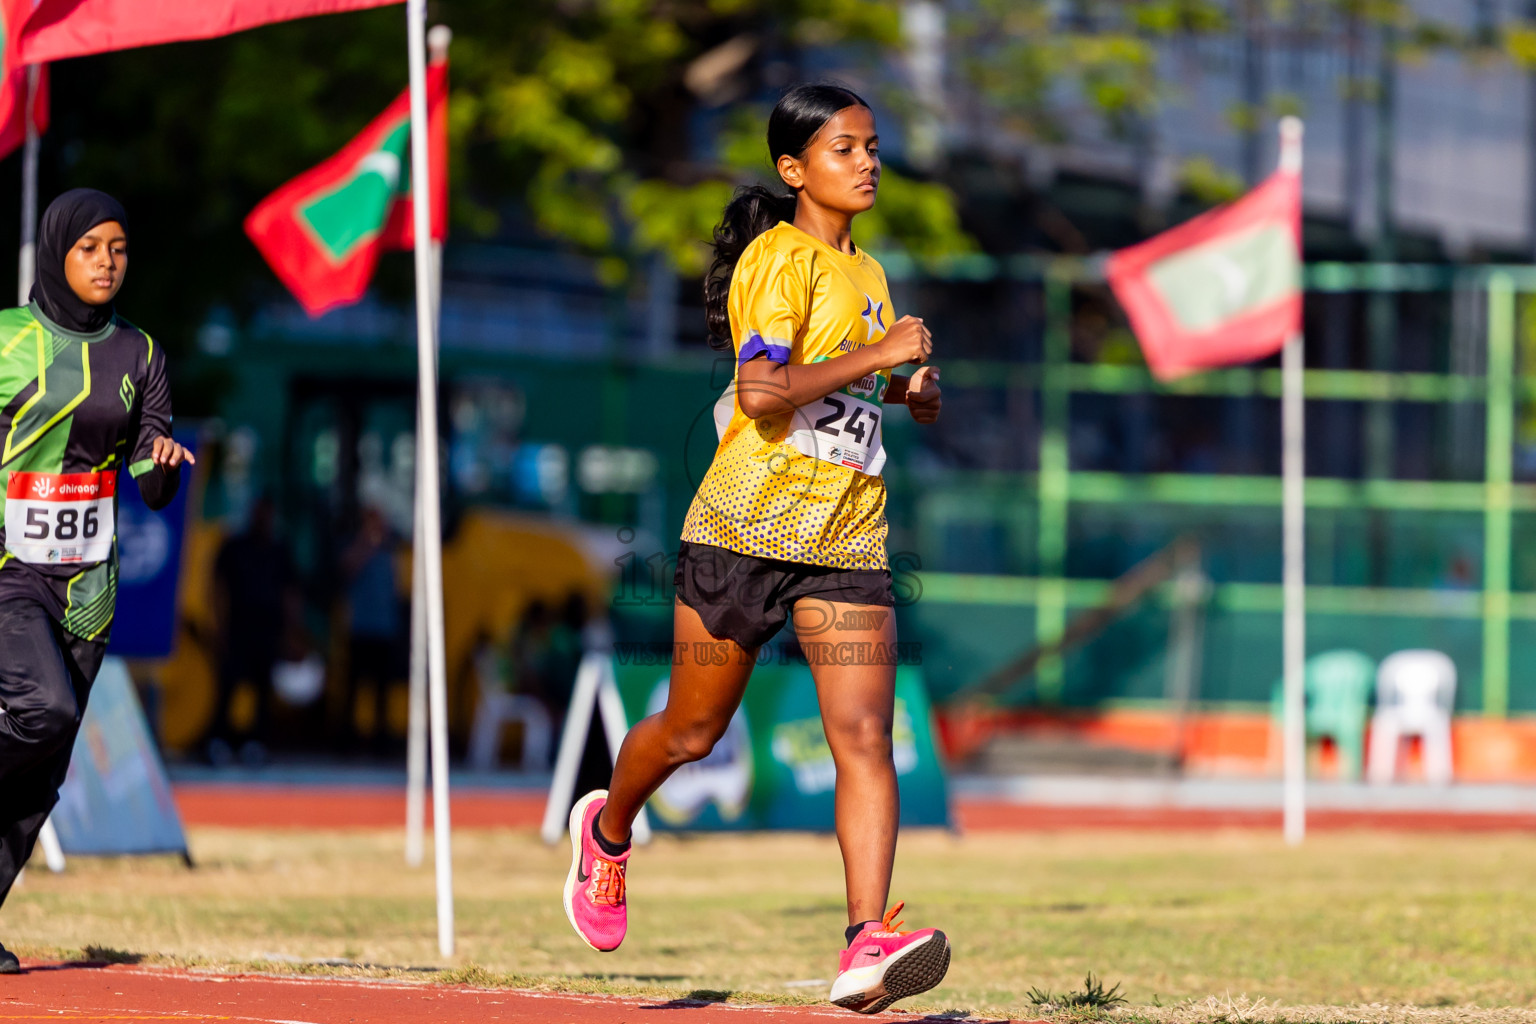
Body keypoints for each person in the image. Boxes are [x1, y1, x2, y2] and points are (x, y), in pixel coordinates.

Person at [562, 85, 947, 1014]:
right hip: (747, 527)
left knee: (865, 737)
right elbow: (765, 393)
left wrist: (906, 395)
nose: (867, 162)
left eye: (872, 146)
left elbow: (839, 393)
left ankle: (865, 942)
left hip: (847, 535)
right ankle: (607, 831)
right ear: (793, 168)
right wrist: (881, 355)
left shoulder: (871, 272)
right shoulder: (777, 259)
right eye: (844, 148)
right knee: (692, 733)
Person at [0, 189, 193, 971]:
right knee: (41, 709)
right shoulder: (7, 340)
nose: (107, 262)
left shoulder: (140, 354)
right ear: (58, 251)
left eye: (118, 248)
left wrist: (163, 464)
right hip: (9, 571)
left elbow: (150, 475)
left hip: (88, 587)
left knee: (45, 767)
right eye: (90, 248)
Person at [210, 493, 297, 765]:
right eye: (260, 511)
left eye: (268, 513)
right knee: (228, 685)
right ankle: (219, 741)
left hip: (268, 629)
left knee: (263, 690)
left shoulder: (280, 549)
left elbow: (290, 592)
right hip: (238, 626)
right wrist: (218, 624)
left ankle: (256, 743)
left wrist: (292, 630)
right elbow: (217, 587)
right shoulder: (235, 546)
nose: (263, 518)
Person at [339, 504, 403, 753]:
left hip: (384, 629)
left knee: (382, 688)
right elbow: (347, 568)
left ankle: (381, 737)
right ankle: (347, 736)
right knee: (354, 686)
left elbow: (395, 590)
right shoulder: (357, 547)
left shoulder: (391, 553)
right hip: (361, 628)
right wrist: (366, 544)